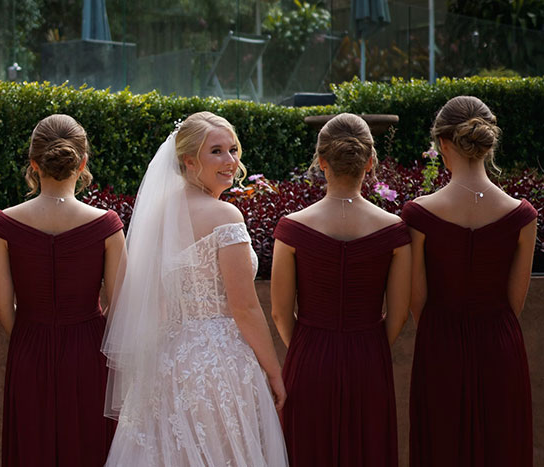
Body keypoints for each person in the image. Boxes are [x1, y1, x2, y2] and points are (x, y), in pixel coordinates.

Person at [102, 111, 288, 466]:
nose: (230, 160)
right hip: (218, 364)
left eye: (233, 149)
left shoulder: (157, 215)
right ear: (189, 161)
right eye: (216, 151)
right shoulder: (225, 217)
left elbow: (151, 301)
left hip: (167, 364)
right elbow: (245, 308)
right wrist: (275, 372)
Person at [401, 96, 536, 466]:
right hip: (500, 344)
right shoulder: (523, 216)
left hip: (438, 342)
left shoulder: (418, 214)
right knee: (501, 445)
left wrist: (442, 333)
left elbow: (418, 299)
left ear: (442, 144)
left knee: (441, 446)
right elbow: (515, 301)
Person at [271, 113, 412, 466]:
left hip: (310, 357)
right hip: (369, 358)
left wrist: (310, 346)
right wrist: (367, 345)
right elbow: (398, 314)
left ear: (321, 162)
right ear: (369, 162)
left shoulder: (291, 229)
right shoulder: (395, 230)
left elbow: (278, 311)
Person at [0, 114, 124, 466]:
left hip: (28, 345)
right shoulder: (107, 225)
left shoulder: (4, 224)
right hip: (90, 346)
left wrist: (28, 336)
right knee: (87, 444)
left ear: (33, 164)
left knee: (32, 443)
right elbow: (120, 303)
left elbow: (2, 305)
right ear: (82, 163)